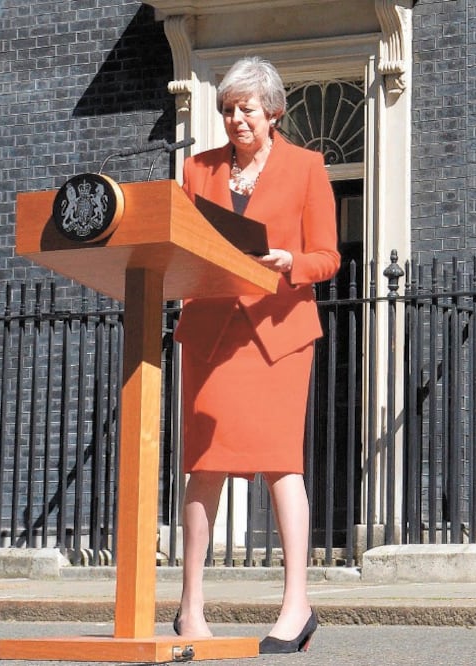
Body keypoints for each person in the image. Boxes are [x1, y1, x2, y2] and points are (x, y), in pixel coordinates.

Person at [171, 56, 340, 654]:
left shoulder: (307, 167)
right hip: (213, 333)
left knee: (281, 464)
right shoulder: (196, 169)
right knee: (205, 466)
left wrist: (292, 263)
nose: (235, 120)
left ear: (273, 110)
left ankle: (297, 605)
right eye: (225, 110)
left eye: (245, 109)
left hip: (278, 334)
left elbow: (328, 256)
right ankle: (190, 608)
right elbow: (182, 244)